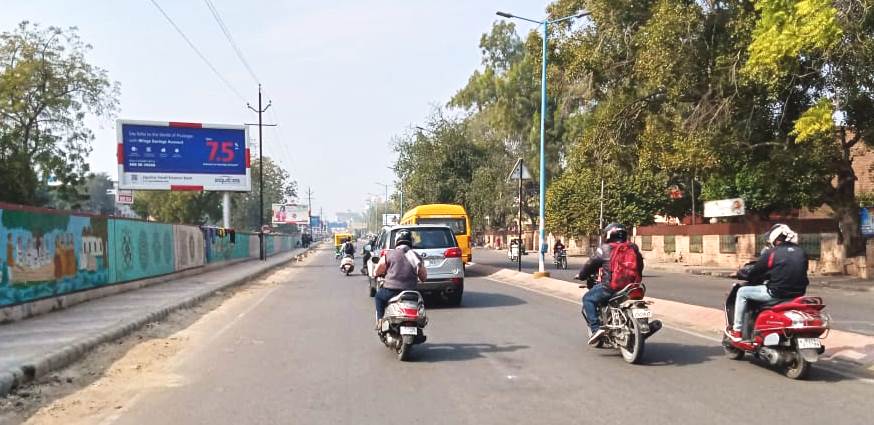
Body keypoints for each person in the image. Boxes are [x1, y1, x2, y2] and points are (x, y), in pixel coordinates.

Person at [726, 223, 809, 342]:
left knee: (742, 292)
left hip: (776, 293)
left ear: (774, 238)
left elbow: (755, 271)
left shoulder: (772, 253)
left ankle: (737, 331)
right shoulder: (802, 252)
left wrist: (742, 274)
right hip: (797, 295)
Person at [576, 223, 645, 345]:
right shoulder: (633, 247)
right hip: (632, 287)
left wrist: (581, 275)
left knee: (587, 299)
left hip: (611, 287)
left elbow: (590, 264)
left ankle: (596, 329)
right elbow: (640, 266)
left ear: (609, 235)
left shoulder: (605, 248)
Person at [373, 229, 427, 328]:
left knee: (378, 297)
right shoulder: (415, 256)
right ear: (410, 241)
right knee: (420, 303)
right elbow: (423, 277)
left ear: (396, 241)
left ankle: (380, 321)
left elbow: (377, 271)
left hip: (391, 290)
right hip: (411, 290)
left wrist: (376, 274)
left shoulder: (389, 254)